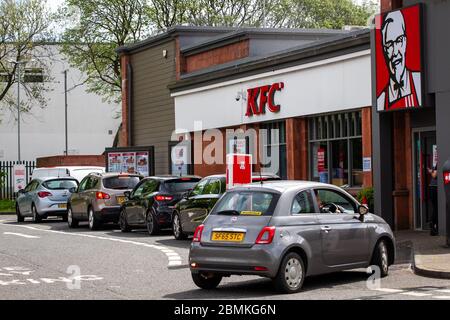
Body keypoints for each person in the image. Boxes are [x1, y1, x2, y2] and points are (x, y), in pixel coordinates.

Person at [377, 10, 422, 111]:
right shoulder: (380, 101)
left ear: (405, 42)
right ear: (384, 50)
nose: (395, 52)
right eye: (389, 45)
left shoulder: (419, 83)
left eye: (398, 41)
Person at [428, 164, 438, 236]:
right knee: (436, 208)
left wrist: (431, 171)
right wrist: (432, 172)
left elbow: (434, 175)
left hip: (433, 187)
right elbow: (434, 175)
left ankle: (433, 226)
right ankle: (433, 224)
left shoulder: (437, 164)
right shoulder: (438, 164)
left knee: (435, 208)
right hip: (435, 188)